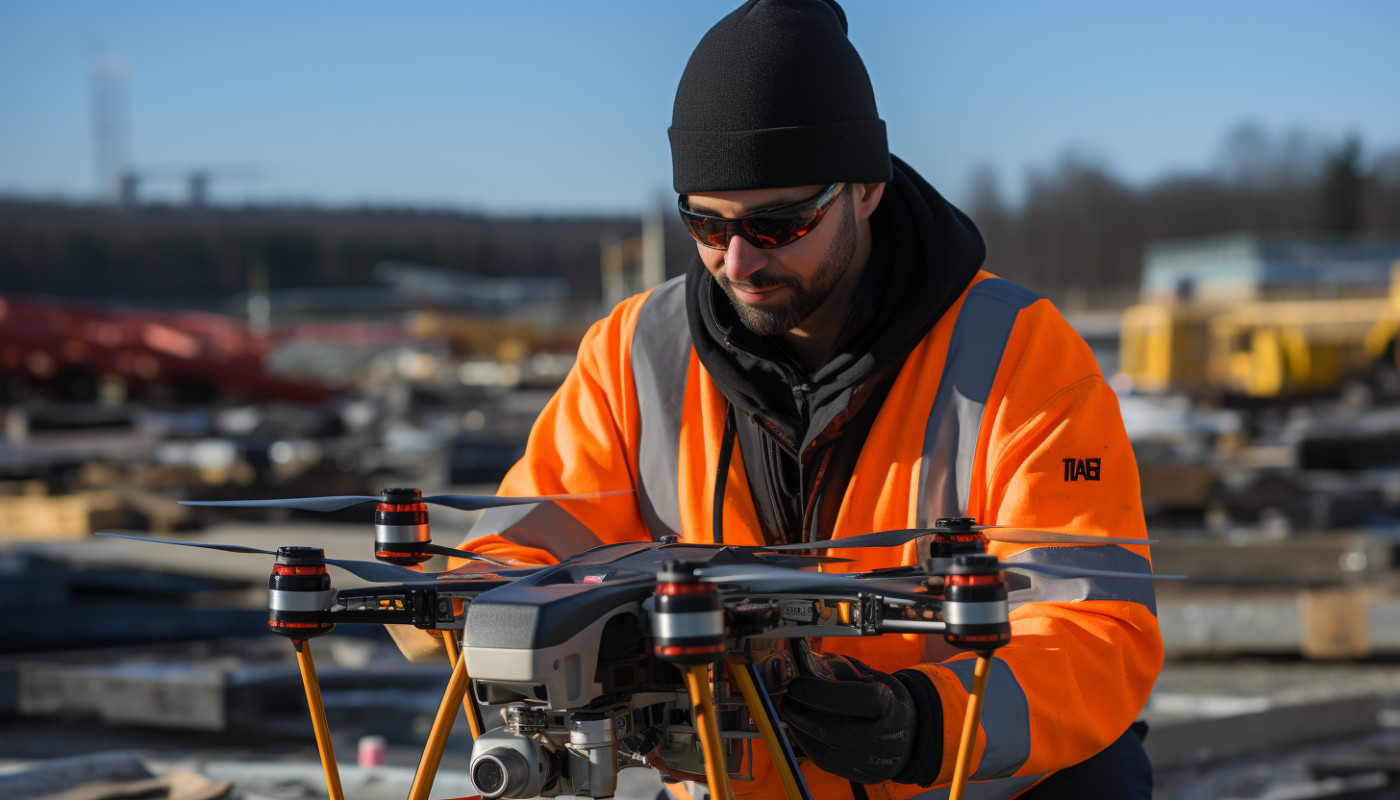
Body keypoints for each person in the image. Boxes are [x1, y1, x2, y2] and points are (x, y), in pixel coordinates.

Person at [400, 1, 1163, 797]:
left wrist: (926, 721)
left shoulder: (1018, 354)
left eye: (777, 225)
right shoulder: (632, 354)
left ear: (866, 189)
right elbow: (521, 553)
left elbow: (1095, 628)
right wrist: (459, 608)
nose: (736, 262)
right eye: (705, 224)